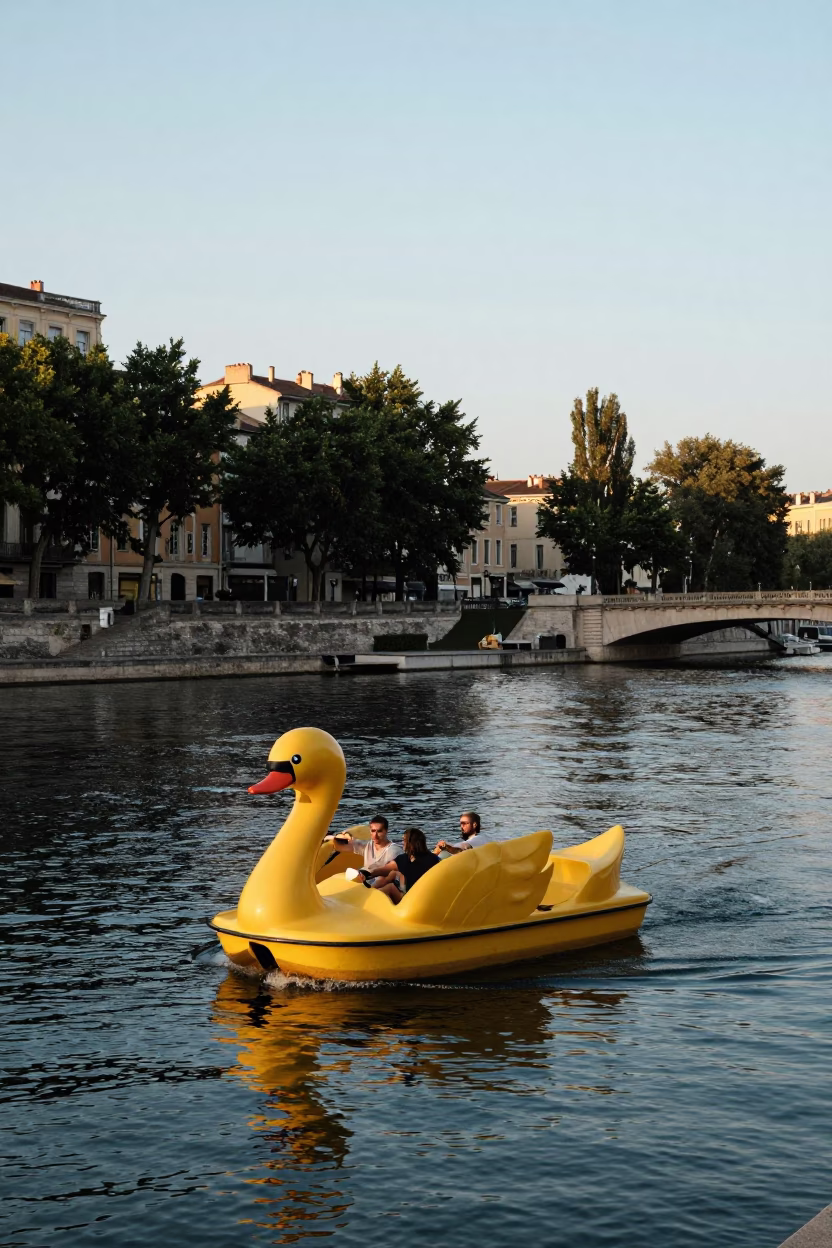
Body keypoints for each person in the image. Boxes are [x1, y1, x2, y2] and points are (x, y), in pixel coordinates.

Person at [358, 827, 440, 904]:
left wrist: (368, 874)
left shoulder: (406, 859)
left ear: (411, 843)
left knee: (390, 886)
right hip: (425, 899)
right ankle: (369, 895)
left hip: (410, 902)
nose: (402, 843)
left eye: (404, 840)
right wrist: (368, 874)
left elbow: (383, 870)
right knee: (391, 880)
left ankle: (367, 901)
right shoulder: (433, 859)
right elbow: (383, 870)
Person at [325, 815, 401, 870]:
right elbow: (344, 846)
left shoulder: (394, 851)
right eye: (373, 831)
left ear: (386, 831)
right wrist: (330, 838)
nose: (375, 835)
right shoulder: (367, 846)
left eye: (379, 831)